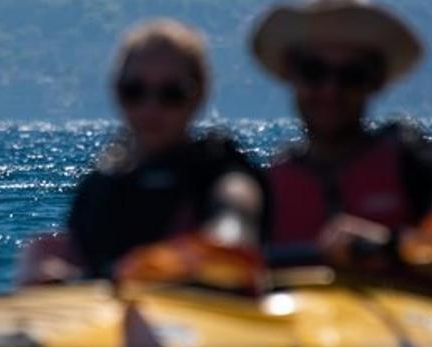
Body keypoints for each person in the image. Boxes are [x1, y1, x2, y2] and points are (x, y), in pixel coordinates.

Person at [249, 0, 432, 276]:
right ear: (291, 76)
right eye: (314, 72)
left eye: (351, 76)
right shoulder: (266, 187)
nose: (330, 90)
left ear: (375, 82)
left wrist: (388, 245)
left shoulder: (416, 161)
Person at [22, 19, 265, 284]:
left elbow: (234, 224)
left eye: (171, 94)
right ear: (116, 92)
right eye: (134, 92)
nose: (151, 108)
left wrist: (191, 257)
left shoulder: (223, 174)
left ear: (198, 95)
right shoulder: (100, 185)